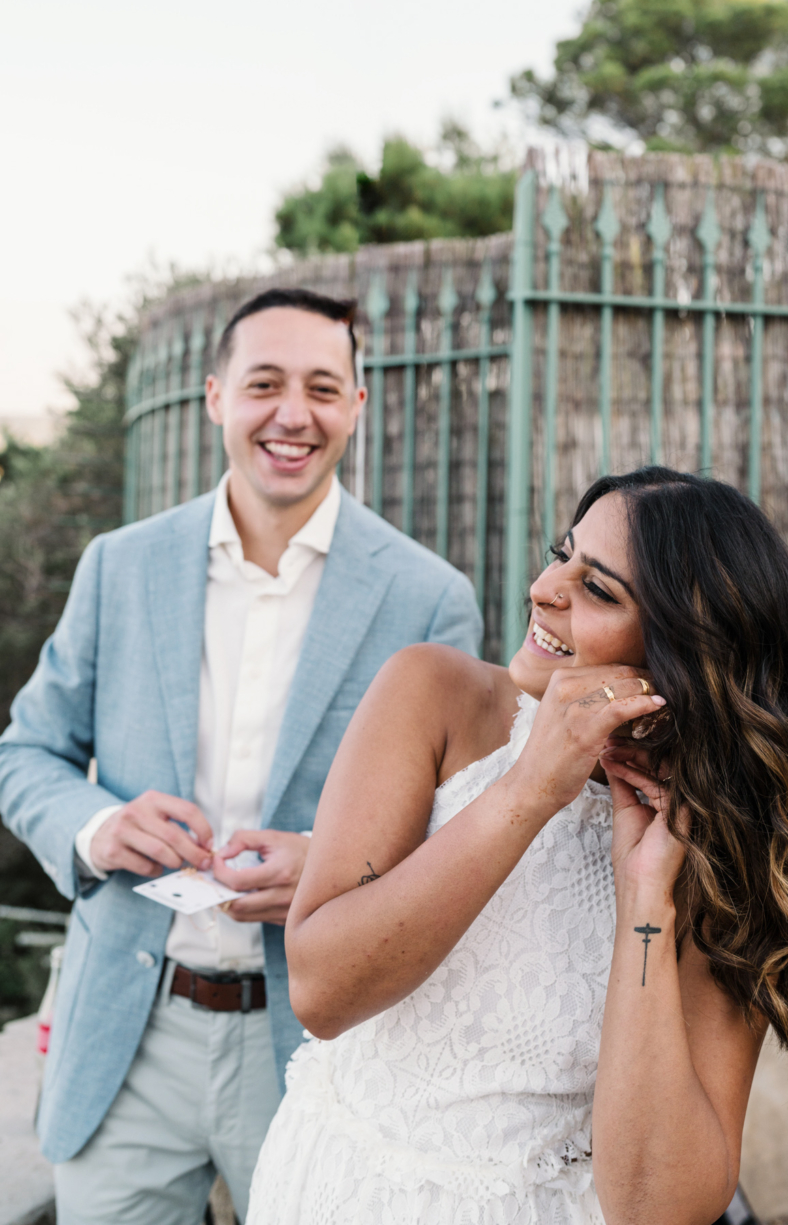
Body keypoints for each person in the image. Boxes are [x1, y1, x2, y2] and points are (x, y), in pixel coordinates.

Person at [247, 466, 788, 1225]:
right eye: (559, 554)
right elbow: (322, 992)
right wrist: (530, 789)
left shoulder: (713, 843)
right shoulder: (433, 696)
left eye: (598, 589)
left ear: (684, 650)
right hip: (339, 1189)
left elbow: (657, 1206)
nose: (543, 588)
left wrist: (646, 899)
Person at [0, 287, 482, 1225]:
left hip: (320, 1048)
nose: (292, 413)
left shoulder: (431, 600)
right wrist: (100, 826)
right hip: (128, 1043)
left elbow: (458, 834)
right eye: (264, 383)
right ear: (217, 396)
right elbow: (26, 753)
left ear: (358, 406)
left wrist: (337, 866)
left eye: (321, 387)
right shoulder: (119, 565)